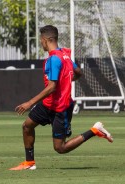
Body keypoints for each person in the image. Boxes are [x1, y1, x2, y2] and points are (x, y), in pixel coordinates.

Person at [9, 25, 113, 171]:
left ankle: (95, 130)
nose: (41, 43)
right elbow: (77, 72)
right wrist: (66, 79)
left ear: (46, 40)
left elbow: (52, 87)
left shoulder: (54, 59)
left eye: (41, 40)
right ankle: (29, 162)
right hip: (48, 105)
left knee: (60, 148)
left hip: (60, 108)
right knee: (27, 126)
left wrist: (29, 102)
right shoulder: (64, 54)